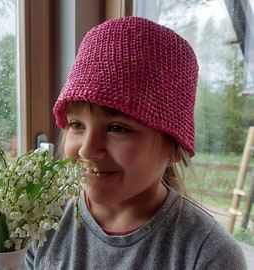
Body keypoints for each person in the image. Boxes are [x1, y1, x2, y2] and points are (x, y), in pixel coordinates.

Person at [26, 16, 247, 269]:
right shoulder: (44, 224)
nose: (87, 149)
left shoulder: (209, 255)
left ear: (173, 145)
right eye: (77, 125)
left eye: (117, 128)